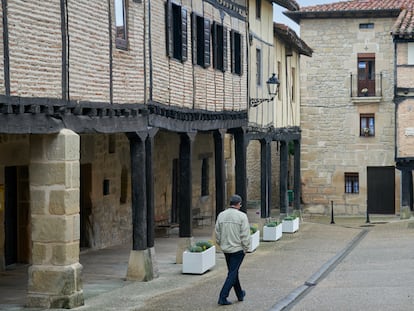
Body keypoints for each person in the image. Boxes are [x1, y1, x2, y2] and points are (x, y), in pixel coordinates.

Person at [215, 194, 251, 305]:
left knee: (233, 272)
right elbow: (245, 234)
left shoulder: (221, 215)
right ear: (239, 204)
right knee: (232, 273)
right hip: (237, 249)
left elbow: (217, 232)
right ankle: (222, 296)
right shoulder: (242, 216)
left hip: (226, 249)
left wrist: (221, 244)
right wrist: (246, 247)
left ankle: (240, 294)